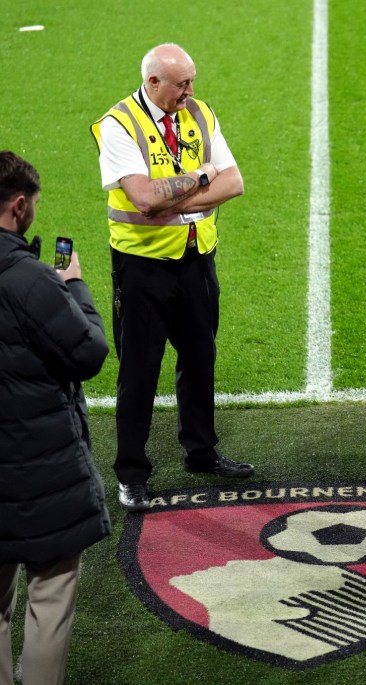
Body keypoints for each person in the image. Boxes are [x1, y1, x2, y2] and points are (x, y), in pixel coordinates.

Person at [91, 43, 253, 512]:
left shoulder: (199, 114)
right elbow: (143, 199)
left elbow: (235, 182)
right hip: (142, 267)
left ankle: (201, 452)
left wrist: (178, 196)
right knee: (138, 371)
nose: (190, 91)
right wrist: (203, 179)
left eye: (192, 81)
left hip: (197, 257)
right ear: (152, 82)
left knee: (200, 357)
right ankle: (131, 474)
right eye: (181, 83)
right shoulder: (118, 125)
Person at [0, 151, 111, 685]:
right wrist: (74, 287)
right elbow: (87, 353)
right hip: (38, 469)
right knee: (50, 596)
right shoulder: (28, 280)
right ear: (18, 207)